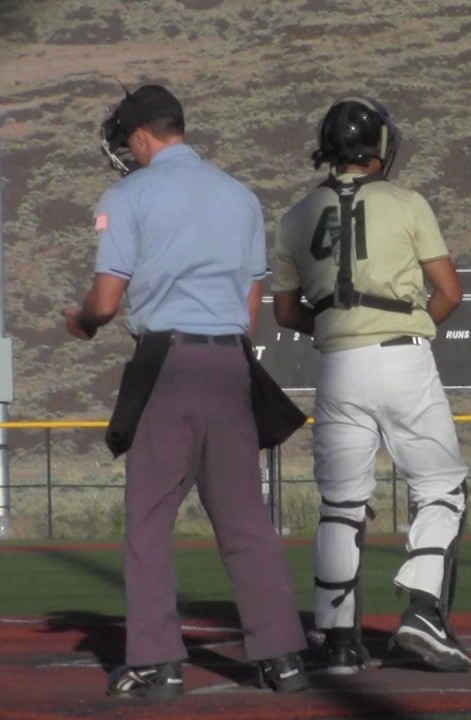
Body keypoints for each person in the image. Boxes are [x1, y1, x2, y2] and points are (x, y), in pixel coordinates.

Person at [63, 84, 309, 697]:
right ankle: (282, 659)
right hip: (230, 363)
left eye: (128, 141)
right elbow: (251, 304)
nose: (126, 151)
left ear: (143, 134)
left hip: (167, 362)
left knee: (149, 520)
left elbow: (108, 299)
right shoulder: (239, 196)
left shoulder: (128, 194)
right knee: (245, 522)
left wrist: (83, 319)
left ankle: (157, 663)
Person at [270, 94, 471, 675]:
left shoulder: (294, 217)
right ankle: (425, 612)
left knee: (341, 504)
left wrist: (338, 325)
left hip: (338, 365)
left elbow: (285, 314)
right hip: (402, 357)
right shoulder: (408, 203)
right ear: (379, 146)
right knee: (440, 489)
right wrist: (409, 325)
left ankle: (336, 642)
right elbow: (451, 293)